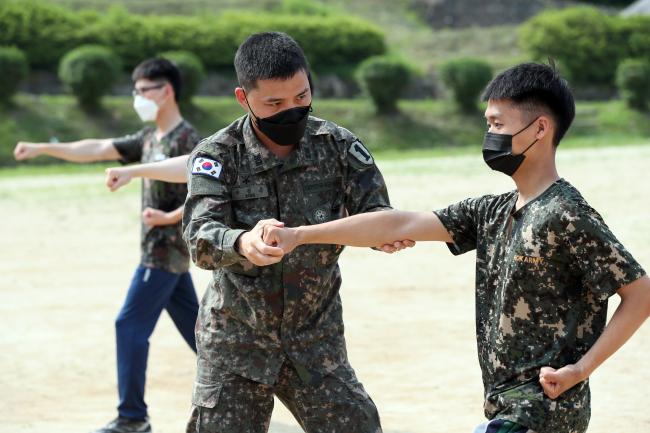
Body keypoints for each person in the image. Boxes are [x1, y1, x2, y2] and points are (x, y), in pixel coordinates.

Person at [263, 63, 650, 433]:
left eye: (498, 124)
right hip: (505, 404)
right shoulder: (491, 211)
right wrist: (300, 235)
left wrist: (579, 370)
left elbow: (640, 293)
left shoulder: (566, 214)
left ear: (540, 129)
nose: (490, 135)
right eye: (488, 125)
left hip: (544, 410)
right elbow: (399, 223)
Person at [180, 31, 413, 433]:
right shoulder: (217, 155)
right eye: (274, 103)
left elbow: (376, 216)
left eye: (302, 97)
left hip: (315, 341)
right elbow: (200, 237)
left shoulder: (339, 147)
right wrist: (242, 242)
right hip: (237, 342)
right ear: (243, 98)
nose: (292, 110)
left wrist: (382, 235)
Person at [14, 58, 201, 433]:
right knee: (205, 335)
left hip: (164, 256)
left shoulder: (188, 141)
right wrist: (42, 149)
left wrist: (167, 218)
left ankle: (133, 417)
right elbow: (98, 147)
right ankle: (256, 381)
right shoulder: (149, 139)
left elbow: (207, 195)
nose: (137, 98)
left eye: (142, 91)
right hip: (166, 261)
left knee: (128, 324)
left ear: (165, 91)